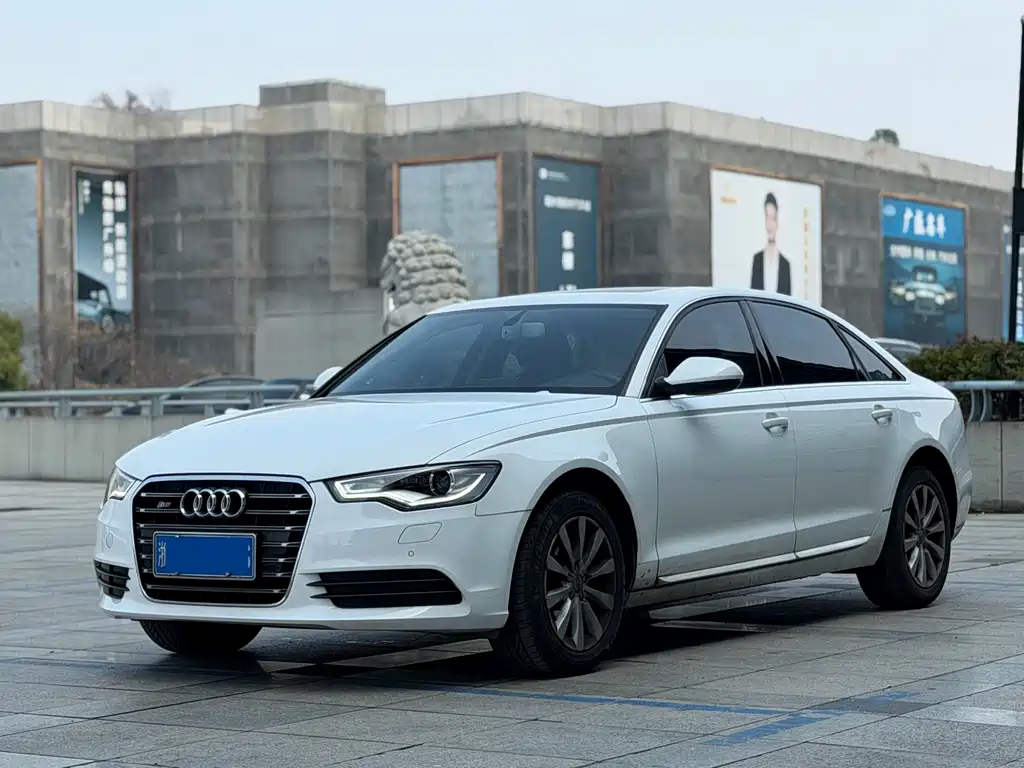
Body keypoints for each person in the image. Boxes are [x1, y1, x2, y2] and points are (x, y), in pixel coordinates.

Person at [749, 192, 792, 295]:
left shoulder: (785, 265)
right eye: (767, 218)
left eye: (773, 218)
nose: (770, 225)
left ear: (777, 221)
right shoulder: (757, 260)